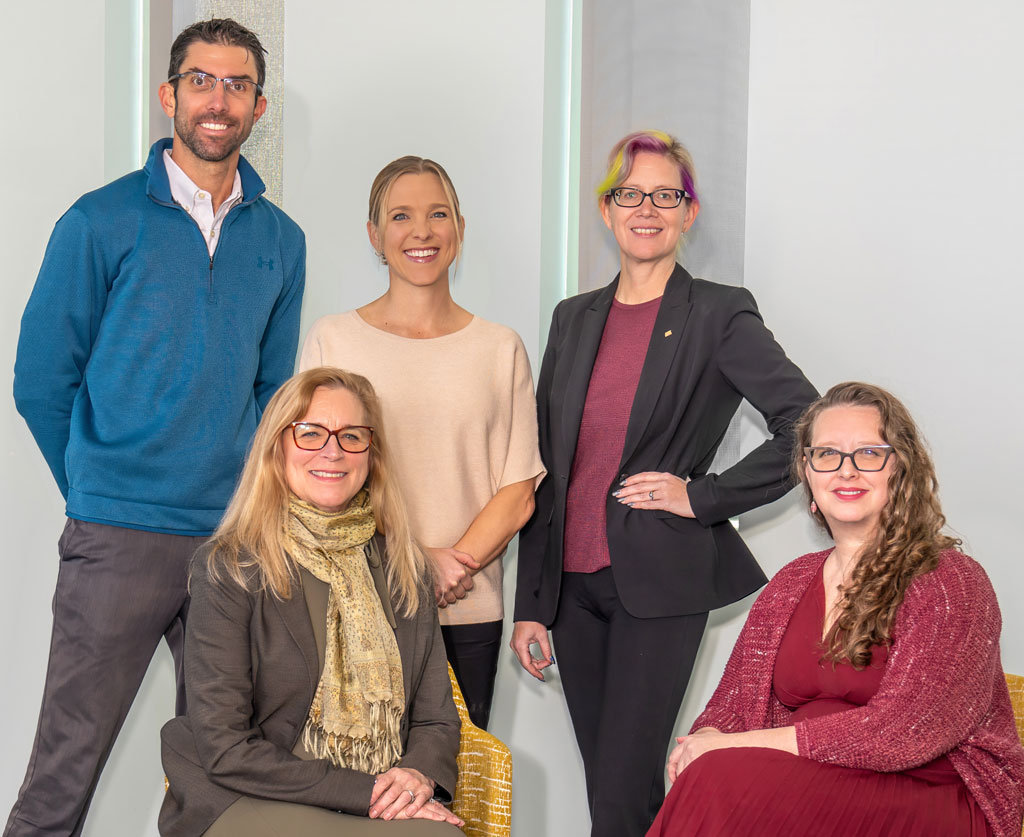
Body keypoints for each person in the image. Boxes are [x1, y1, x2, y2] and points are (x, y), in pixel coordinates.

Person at [7, 18, 305, 837]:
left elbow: (274, 393)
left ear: (259, 106)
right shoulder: (98, 221)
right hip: (119, 536)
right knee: (67, 763)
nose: (219, 100)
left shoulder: (282, 240)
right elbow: (40, 380)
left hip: (231, 542)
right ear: (169, 94)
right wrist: (99, 486)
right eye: (202, 80)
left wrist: (247, 506)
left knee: (218, 771)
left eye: (237, 85)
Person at [510, 129, 818, 837]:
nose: (645, 208)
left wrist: (701, 496)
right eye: (629, 193)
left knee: (622, 792)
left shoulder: (718, 312)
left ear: (688, 212)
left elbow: (806, 423)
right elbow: (547, 466)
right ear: (606, 208)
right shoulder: (572, 317)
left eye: (665, 195)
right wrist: (532, 602)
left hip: (657, 583)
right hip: (572, 592)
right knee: (615, 790)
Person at [648, 382, 1024, 837]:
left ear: (901, 469)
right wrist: (707, 737)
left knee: (719, 779)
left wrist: (736, 747)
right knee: (712, 773)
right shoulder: (792, 581)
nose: (846, 470)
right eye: (827, 454)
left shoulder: (950, 580)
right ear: (807, 472)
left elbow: (904, 734)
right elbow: (730, 704)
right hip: (809, 781)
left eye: (868, 453)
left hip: (931, 790)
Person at [159, 367, 462, 836]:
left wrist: (416, 777)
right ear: (276, 447)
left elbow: (436, 717)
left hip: (374, 788)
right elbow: (225, 747)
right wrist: (367, 792)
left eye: (352, 436)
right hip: (249, 790)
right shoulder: (230, 567)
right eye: (310, 432)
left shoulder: (406, 568)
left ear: (372, 454)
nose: (333, 451)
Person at [301, 156, 544, 730]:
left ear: (459, 228)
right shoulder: (333, 339)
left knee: (457, 777)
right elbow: (314, 478)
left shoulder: (500, 347)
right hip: (355, 604)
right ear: (374, 235)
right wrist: (412, 563)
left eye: (438, 214)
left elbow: (518, 491)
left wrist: (446, 570)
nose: (422, 231)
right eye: (401, 216)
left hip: (466, 608)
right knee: (358, 781)